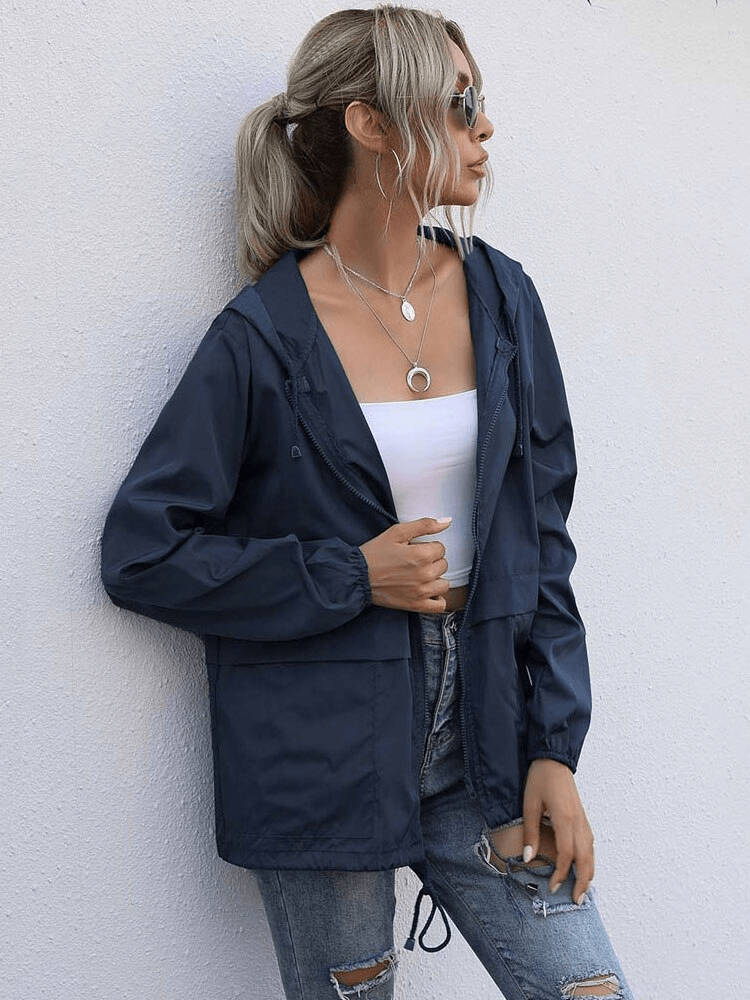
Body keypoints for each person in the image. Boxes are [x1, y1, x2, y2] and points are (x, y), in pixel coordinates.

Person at [101, 6, 632, 999]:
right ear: (371, 123)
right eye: (460, 103)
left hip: (487, 741)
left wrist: (555, 749)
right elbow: (142, 551)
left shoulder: (504, 302)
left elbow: (542, 538)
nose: (484, 127)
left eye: (481, 104)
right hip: (322, 752)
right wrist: (350, 575)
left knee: (587, 987)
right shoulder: (262, 337)